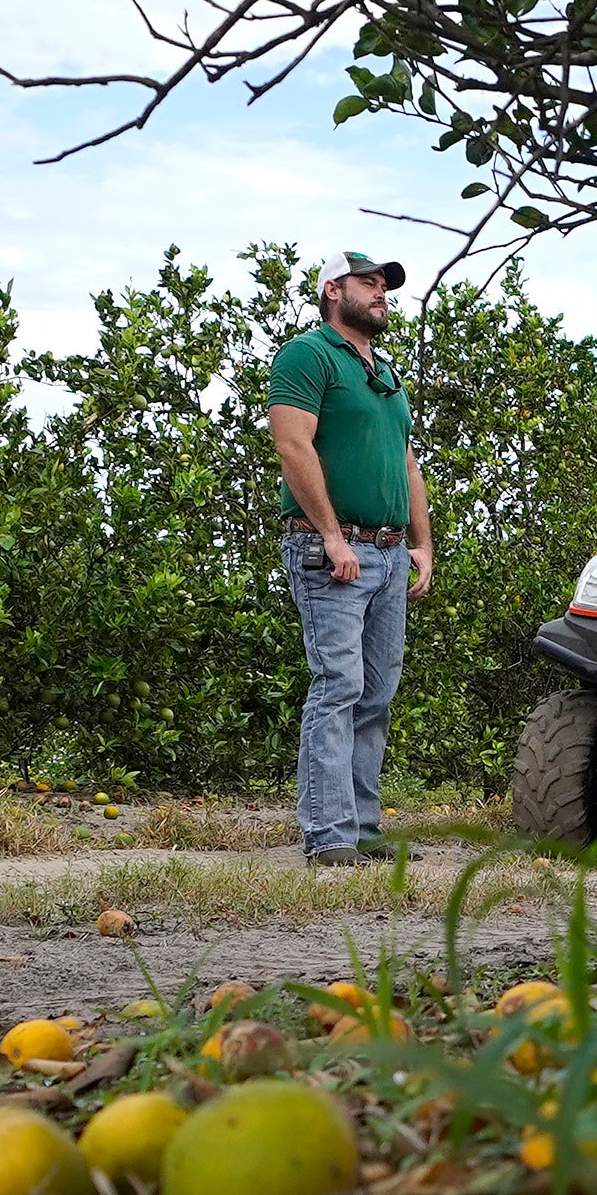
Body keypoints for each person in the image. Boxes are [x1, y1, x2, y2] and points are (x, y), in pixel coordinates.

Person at [266, 250, 437, 864]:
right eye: (369, 283)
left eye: (385, 285)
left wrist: (422, 543)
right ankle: (328, 835)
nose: (381, 292)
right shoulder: (307, 354)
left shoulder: (387, 373)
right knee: (337, 686)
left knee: (376, 694)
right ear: (334, 290)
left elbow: (406, 460)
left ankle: (363, 830)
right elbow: (292, 445)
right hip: (331, 551)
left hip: (390, 555)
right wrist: (333, 537)